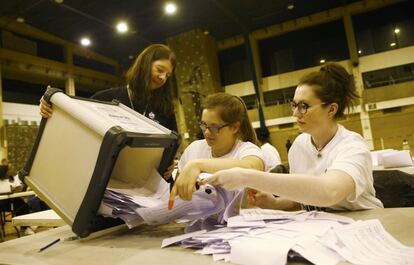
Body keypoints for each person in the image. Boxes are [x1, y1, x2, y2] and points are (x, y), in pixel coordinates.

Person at [205, 62, 384, 211]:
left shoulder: (352, 146)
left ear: (331, 109)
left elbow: (329, 192)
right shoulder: (300, 144)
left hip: (364, 225)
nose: (296, 113)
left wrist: (247, 176)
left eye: (304, 106)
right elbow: (303, 199)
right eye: (294, 105)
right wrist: (274, 202)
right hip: (323, 227)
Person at [40, 44, 178, 177]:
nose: (162, 78)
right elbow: (75, 122)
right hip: (110, 180)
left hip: (151, 181)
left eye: (168, 75)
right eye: (160, 70)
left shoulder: (165, 108)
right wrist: (51, 105)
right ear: (144, 65)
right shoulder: (106, 98)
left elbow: (172, 142)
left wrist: (169, 162)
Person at [168, 92, 266, 209]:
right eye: (204, 125)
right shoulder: (194, 149)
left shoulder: (247, 149)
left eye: (215, 127)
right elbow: (179, 190)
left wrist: (197, 165)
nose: (207, 132)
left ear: (235, 127)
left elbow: (251, 167)